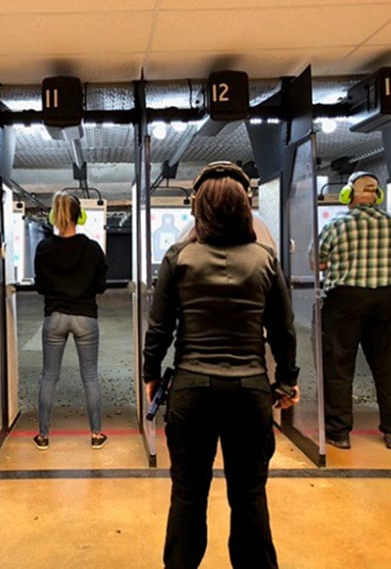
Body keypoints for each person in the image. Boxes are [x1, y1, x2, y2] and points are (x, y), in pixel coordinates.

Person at [143, 161, 299, 569]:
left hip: (191, 392)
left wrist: (151, 376)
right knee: (249, 496)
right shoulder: (265, 260)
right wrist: (286, 382)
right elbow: (283, 331)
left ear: (198, 208)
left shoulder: (179, 257)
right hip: (250, 392)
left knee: (187, 496)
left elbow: (158, 329)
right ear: (245, 208)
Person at [318, 171, 391, 450]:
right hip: (385, 298)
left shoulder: (336, 225)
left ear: (348, 195)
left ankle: (339, 432)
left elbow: (317, 264)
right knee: (388, 366)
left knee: (339, 366)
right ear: (377, 196)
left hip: (344, 299)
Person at [33, 192, 108, 450]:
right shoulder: (93, 249)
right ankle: (96, 434)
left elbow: (40, 287)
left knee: (49, 376)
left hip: (54, 317)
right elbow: (101, 286)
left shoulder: (44, 249)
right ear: (80, 216)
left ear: (54, 216)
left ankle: (43, 436)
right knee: (90, 376)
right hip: (86, 317)